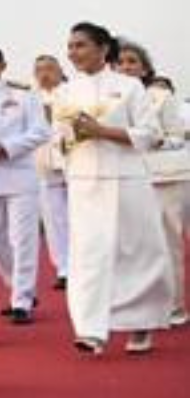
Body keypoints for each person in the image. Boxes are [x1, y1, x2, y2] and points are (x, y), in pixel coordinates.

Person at [55, 22, 171, 355]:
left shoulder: (130, 86)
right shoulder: (65, 92)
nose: (73, 52)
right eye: (71, 46)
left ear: (103, 49)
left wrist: (102, 131)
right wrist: (70, 140)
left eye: (81, 45)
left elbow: (150, 134)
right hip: (84, 182)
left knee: (135, 251)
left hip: (126, 179)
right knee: (88, 255)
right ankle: (91, 329)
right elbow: (58, 140)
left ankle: (141, 324)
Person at [0, 45, 52, 324]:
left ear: (2, 65)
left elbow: (41, 131)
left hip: (18, 174)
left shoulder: (22, 95)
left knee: (23, 240)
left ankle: (21, 302)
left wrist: (7, 148)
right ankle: (18, 287)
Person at [114, 40, 189, 328]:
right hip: (127, 178)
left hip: (166, 178)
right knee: (135, 247)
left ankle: (175, 307)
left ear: (145, 68)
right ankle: (141, 307)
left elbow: (177, 135)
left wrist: (156, 141)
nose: (126, 67)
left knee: (169, 245)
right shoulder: (112, 97)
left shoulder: (159, 95)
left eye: (132, 61)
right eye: (120, 62)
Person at [31, 56, 70, 290]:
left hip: (73, 162)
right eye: (39, 70)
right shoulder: (29, 98)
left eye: (49, 69)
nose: (44, 74)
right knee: (54, 220)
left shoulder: (71, 93)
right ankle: (63, 268)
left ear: (60, 71)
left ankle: (82, 266)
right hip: (43, 165)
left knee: (77, 217)